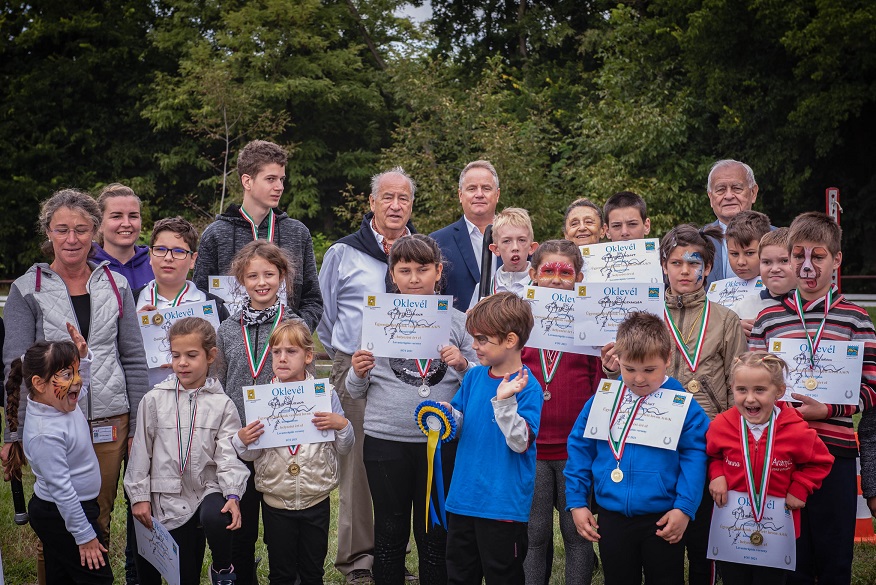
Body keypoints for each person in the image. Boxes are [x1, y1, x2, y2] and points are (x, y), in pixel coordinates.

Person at [2, 189, 149, 568]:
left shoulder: (115, 285)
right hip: (52, 424)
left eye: (82, 230)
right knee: (55, 523)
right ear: (48, 232)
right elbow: (15, 366)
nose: (72, 239)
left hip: (110, 421)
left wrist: (138, 428)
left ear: (95, 232)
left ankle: (92, 577)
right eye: (62, 229)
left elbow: (132, 358)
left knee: (98, 517)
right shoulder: (26, 288)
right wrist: (13, 432)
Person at [603, 223, 747, 584]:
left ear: (709, 267)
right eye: (676, 262)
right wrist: (611, 370)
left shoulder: (725, 320)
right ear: (663, 266)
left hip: (706, 441)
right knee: (658, 542)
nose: (685, 271)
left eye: (694, 263)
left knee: (702, 545)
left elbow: (738, 389)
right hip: (649, 443)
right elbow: (625, 385)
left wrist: (728, 449)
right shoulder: (645, 317)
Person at [750, 211, 876, 584]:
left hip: (835, 451)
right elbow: (752, 385)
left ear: (836, 260)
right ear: (787, 259)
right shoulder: (768, 320)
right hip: (780, 452)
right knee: (790, 555)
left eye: (817, 256)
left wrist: (830, 409)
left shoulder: (856, 320)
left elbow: (871, 389)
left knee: (834, 553)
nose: (807, 266)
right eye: (798, 256)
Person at [347, 234, 476, 584]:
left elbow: (479, 384)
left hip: (441, 444)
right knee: (389, 530)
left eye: (423, 269)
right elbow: (355, 389)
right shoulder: (376, 318)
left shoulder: (459, 322)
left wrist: (462, 364)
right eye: (405, 270)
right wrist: (357, 371)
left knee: (435, 532)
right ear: (392, 274)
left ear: (438, 271)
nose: (414, 278)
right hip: (385, 441)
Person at [318, 167, 417, 584]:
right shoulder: (344, 252)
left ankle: (396, 556)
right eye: (387, 198)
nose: (396, 206)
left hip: (409, 369)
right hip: (354, 366)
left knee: (404, 458)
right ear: (372, 203)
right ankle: (358, 560)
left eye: (404, 199)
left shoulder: (419, 251)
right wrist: (346, 357)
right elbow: (325, 315)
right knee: (356, 463)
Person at [566, 312, 709, 585]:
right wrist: (576, 501)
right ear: (618, 359)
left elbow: (695, 456)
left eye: (649, 370)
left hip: (662, 518)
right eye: (629, 369)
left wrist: (684, 508)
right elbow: (580, 447)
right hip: (612, 515)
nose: (639, 379)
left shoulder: (684, 406)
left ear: (667, 359)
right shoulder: (604, 398)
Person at [125, 317, 249, 585]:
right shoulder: (154, 400)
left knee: (219, 514)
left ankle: (222, 570)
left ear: (211, 356)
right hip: (167, 498)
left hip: (205, 490)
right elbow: (139, 455)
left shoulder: (223, 404)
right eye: (176, 355)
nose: (182, 362)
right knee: (183, 577)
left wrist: (232, 493)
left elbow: (227, 456)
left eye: (192, 355)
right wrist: (139, 497)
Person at [233, 320, 354, 585]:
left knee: (313, 573)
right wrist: (242, 441)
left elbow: (344, 448)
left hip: (316, 499)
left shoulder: (326, 396)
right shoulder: (260, 399)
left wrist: (342, 425)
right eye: (276, 352)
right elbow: (251, 457)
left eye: (291, 351)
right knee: (281, 574)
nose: (282, 358)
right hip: (277, 502)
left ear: (308, 356)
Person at [706, 351, 833, 585]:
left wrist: (800, 488)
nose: (750, 399)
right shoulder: (721, 425)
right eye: (741, 390)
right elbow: (713, 456)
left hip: (777, 529)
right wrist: (717, 475)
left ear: (779, 391)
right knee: (734, 578)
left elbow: (821, 460)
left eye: (760, 390)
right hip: (731, 527)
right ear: (732, 388)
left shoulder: (796, 430)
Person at [443, 292, 543, 584]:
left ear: (510, 340)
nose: (474, 346)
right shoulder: (474, 377)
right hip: (462, 499)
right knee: (460, 575)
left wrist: (504, 403)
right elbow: (461, 420)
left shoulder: (527, 387)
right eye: (473, 338)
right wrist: (446, 414)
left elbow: (521, 442)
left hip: (502, 505)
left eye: (482, 339)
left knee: (503, 576)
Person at [5, 325, 113, 584]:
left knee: (61, 577)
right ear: (39, 383)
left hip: (68, 509)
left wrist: (84, 360)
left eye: (75, 372)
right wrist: (85, 536)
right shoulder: (45, 433)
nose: (76, 380)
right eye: (66, 374)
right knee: (98, 579)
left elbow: (80, 392)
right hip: (62, 513)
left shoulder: (59, 403)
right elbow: (63, 491)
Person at [520, 240, 599, 585]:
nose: (555, 278)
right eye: (547, 271)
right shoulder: (519, 323)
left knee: (578, 533)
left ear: (579, 277)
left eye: (564, 272)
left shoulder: (592, 326)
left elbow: (600, 387)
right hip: (531, 448)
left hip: (575, 451)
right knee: (533, 535)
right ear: (533, 275)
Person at [216, 240, 294, 583]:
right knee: (240, 533)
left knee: (281, 536)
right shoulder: (227, 329)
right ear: (241, 281)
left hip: (281, 443)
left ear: (282, 277)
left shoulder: (294, 325)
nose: (261, 282)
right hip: (240, 444)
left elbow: (304, 382)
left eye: (269, 274)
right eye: (252, 276)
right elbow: (217, 387)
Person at [193, 139, 323, 332]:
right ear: (247, 181)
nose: (279, 187)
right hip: (232, 352)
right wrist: (224, 341)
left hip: (285, 350)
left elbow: (312, 299)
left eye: (281, 179)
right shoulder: (216, 234)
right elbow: (201, 298)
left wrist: (296, 332)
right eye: (270, 179)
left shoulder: (297, 233)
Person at [134, 216, 231, 387]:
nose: (168, 257)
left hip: (201, 401)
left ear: (193, 259)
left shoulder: (214, 306)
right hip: (147, 401)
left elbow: (225, 360)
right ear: (150, 255)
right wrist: (131, 327)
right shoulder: (130, 301)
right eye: (161, 249)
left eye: (178, 251)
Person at [431, 160, 502, 311]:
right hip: (455, 332)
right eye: (472, 188)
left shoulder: (519, 240)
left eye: (486, 188)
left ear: (497, 195)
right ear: (460, 195)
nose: (479, 194)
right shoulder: (437, 242)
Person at [730, 228, 795, 336]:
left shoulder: (814, 306)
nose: (774, 269)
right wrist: (734, 331)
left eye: (784, 261)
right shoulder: (740, 308)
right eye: (767, 262)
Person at [703, 160, 760, 284]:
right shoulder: (696, 241)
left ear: (753, 192)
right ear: (711, 198)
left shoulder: (779, 239)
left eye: (737, 188)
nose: (728, 196)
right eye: (720, 190)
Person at [92, 183, 154, 290]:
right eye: (116, 216)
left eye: (133, 216)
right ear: (99, 224)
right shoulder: (87, 269)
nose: (126, 223)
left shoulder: (156, 267)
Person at [489, 207, 537, 296]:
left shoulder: (542, 285)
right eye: (506, 241)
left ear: (531, 247)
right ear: (496, 249)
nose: (515, 247)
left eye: (521, 240)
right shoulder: (485, 287)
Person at [724, 210, 772, 283]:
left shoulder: (788, 290)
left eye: (749, 253)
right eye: (734, 254)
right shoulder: (718, 291)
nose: (741, 262)